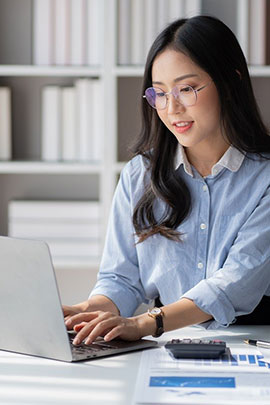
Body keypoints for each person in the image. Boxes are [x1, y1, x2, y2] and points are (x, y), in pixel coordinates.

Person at [64, 15, 270, 346]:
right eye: (159, 93)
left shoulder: (264, 177)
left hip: (253, 344)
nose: (171, 108)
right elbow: (121, 277)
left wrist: (146, 323)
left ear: (230, 84)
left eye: (186, 89)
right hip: (169, 343)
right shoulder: (139, 174)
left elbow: (235, 281)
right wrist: (90, 311)